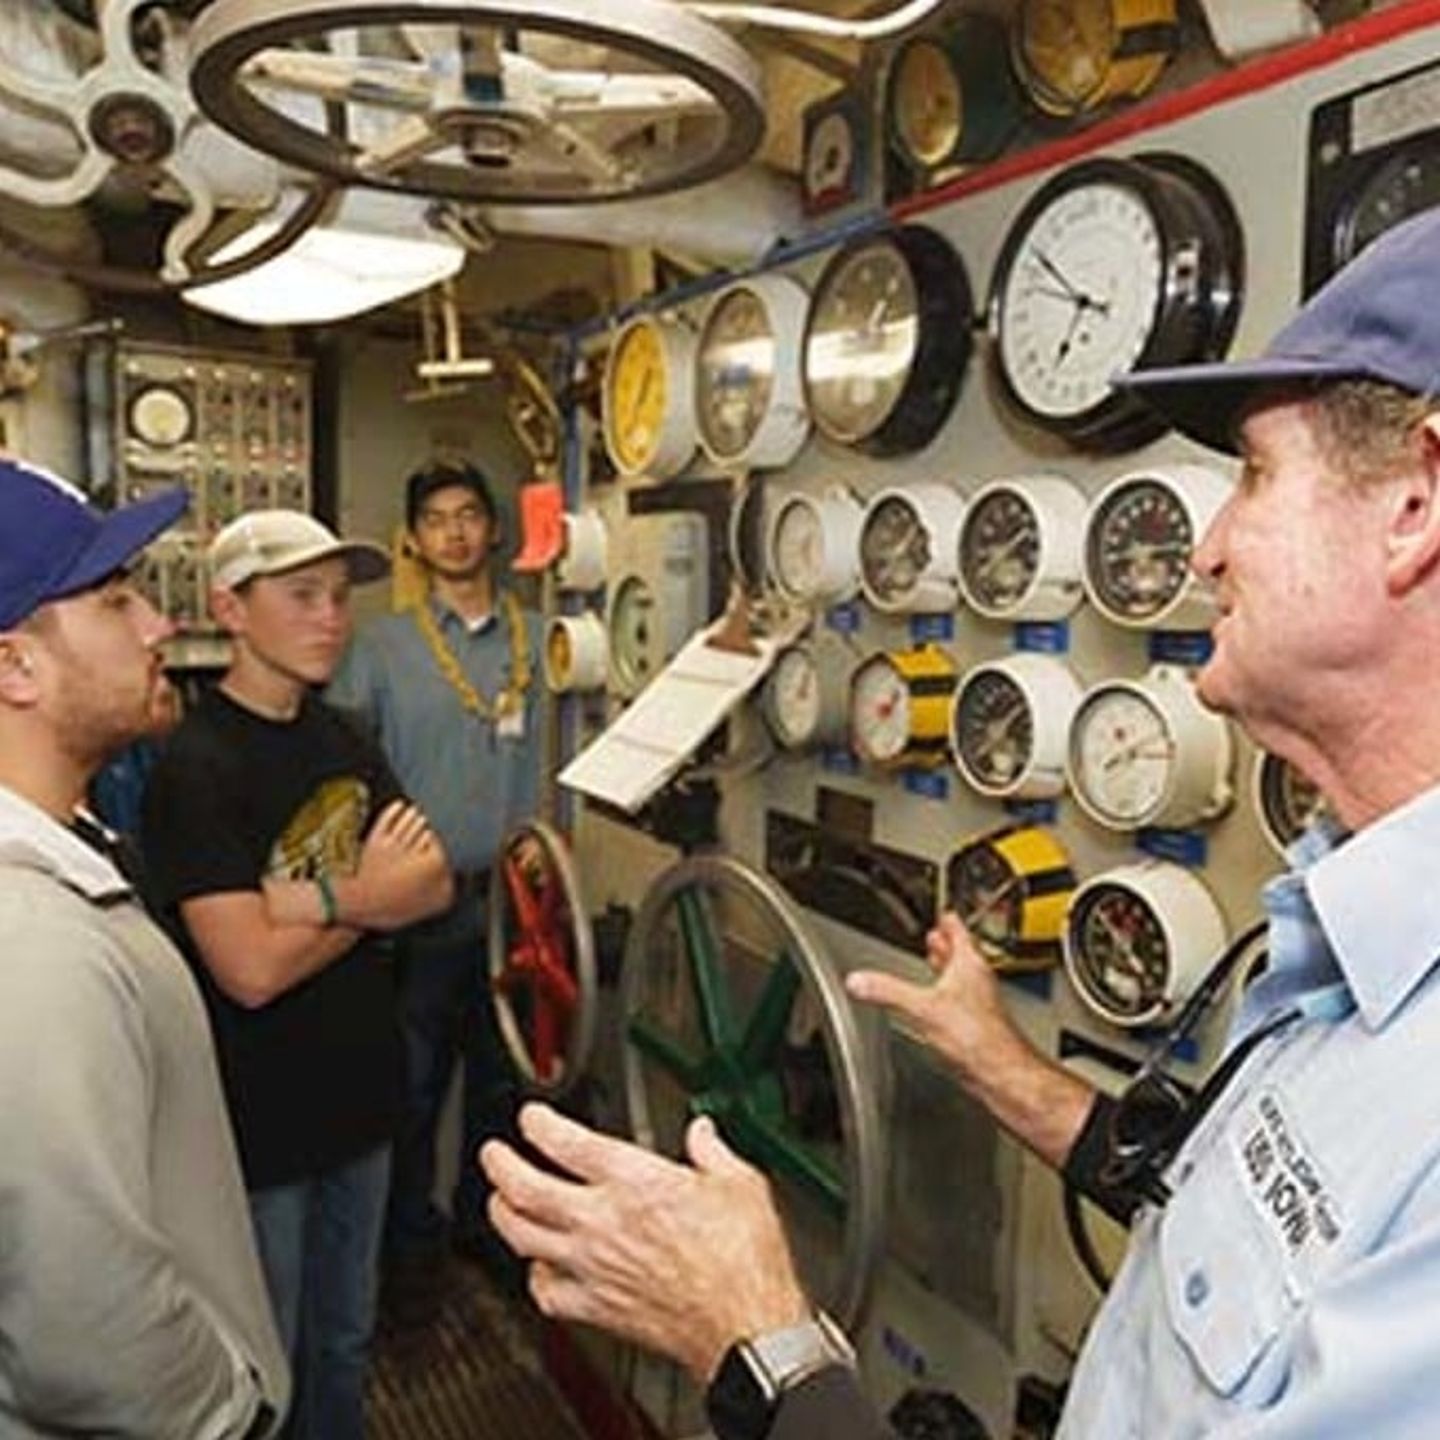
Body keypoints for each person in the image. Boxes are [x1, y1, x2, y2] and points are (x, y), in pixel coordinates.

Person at [481, 203, 1440, 1440]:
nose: (1207, 547)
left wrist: (756, 1343)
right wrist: (1017, 1079)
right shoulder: (1349, 937)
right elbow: (1237, 1219)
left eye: (1253, 475)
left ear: (1417, 504)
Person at [141, 509, 453, 1439]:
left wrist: (308, 902)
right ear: (230, 609)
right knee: (266, 1357)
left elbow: (431, 882)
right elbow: (248, 972)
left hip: (362, 1102)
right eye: (302, 596)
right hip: (259, 1126)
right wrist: (369, 895)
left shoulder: (347, 740)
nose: (331, 619)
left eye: (339, 598)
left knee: (346, 1342)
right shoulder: (195, 769)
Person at [0, 459, 288, 1435]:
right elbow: (81, 1329)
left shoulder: (72, 850)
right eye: (117, 601)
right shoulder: (29, 937)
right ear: (14, 668)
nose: (160, 625)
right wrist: (229, 1413)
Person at [327, 459, 543, 1307]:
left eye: (469, 515)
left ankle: (482, 1230)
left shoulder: (541, 640)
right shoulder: (378, 647)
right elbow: (346, 776)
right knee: (411, 1090)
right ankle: (407, 1255)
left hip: (522, 904)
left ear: (494, 531)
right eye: (436, 519)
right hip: (422, 908)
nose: (455, 532)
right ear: (414, 539)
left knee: (502, 1081)